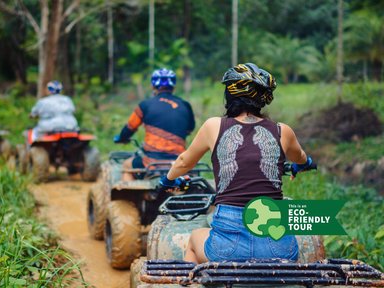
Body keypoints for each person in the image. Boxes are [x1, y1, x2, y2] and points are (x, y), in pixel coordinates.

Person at [159, 63, 316, 264]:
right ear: (263, 98)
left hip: (227, 248)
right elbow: (300, 156)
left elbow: (183, 162)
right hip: (279, 249)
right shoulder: (282, 131)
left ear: (230, 94)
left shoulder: (213, 126)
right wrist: (303, 164)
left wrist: (168, 180)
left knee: (194, 239)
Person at [114, 68, 195, 181]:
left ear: (153, 86)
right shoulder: (185, 105)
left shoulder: (145, 105)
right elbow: (189, 130)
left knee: (127, 165)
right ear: (174, 87)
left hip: (150, 162)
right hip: (178, 162)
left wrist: (122, 138)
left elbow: (130, 127)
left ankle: (128, 198)